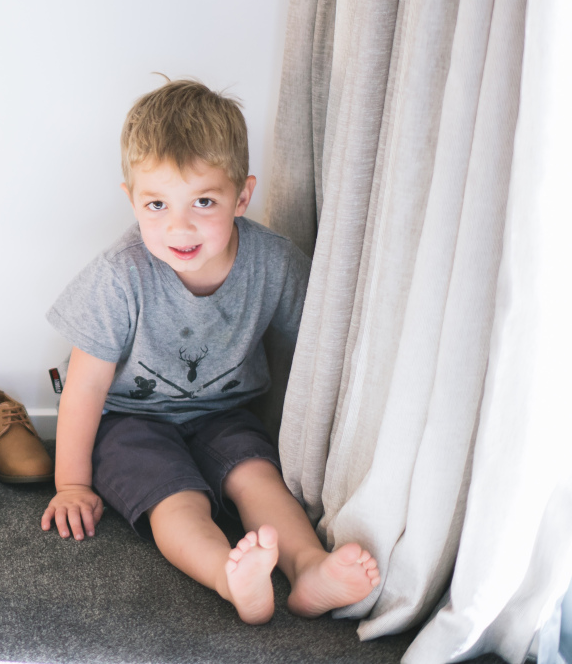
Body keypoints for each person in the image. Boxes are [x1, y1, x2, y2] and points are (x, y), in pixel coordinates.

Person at [41, 78, 381, 624]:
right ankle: (229, 576)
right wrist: (72, 485)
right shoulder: (120, 276)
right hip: (130, 421)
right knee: (176, 497)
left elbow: (318, 349)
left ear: (241, 197)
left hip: (225, 414)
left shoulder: (273, 263)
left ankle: (308, 567)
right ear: (132, 200)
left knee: (257, 476)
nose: (180, 226)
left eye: (203, 201)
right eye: (157, 204)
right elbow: (84, 388)